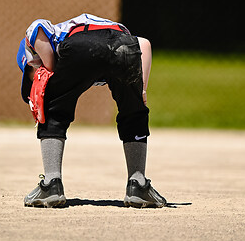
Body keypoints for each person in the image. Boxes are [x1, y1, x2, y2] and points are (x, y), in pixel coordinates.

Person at [16, 13, 166, 209]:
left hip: (81, 42)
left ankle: (51, 185)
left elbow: (37, 28)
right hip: (124, 45)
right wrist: (141, 90)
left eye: (32, 73)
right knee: (134, 112)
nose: (38, 77)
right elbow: (143, 44)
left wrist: (50, 69)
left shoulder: (52, 34)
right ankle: (138, 185)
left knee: (52, 109)